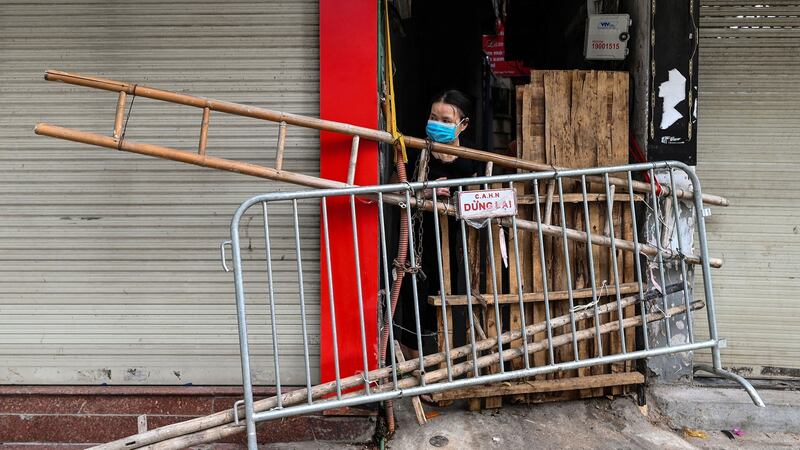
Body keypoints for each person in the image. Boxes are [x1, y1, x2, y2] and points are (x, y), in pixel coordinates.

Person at [396, 90, 482, 359]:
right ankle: (416, 367)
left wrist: (460, 196)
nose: (437, 124)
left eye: (446, 120)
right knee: (415, 299)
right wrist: (423, 192)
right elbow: (397, 185)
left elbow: (484, 195)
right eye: (433, 118)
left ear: (463, 125)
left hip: (459, 243)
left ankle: (450, 363)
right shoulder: (417, 152)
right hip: (419, 240)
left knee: (450, 298)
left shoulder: (473, 159)